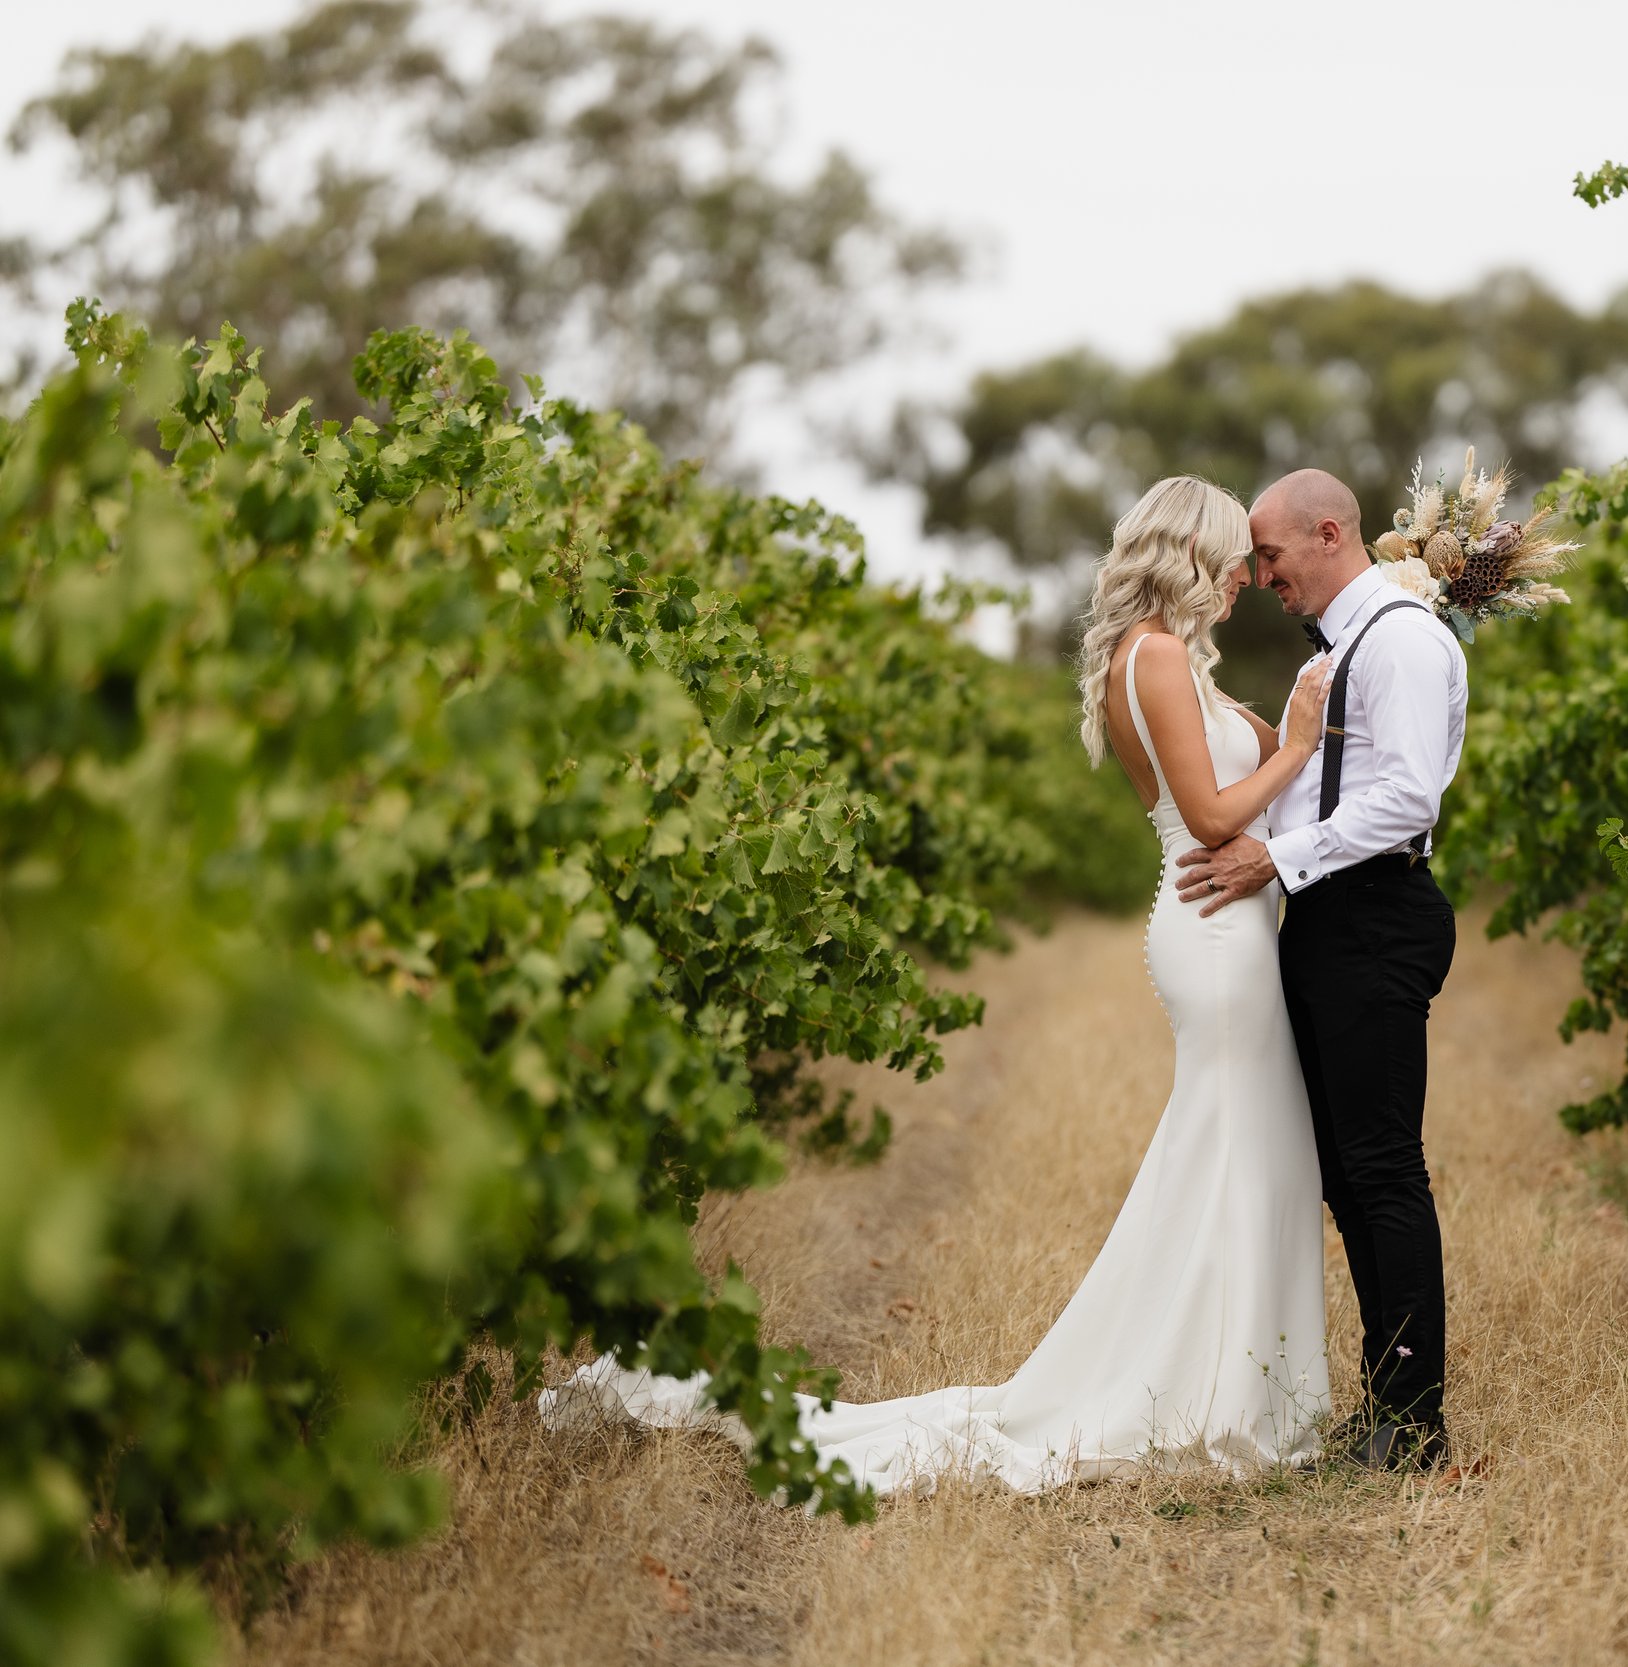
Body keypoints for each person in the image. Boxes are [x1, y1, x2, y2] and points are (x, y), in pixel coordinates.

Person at [539, 476, 1340, 1494]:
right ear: (1190, 552)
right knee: (1235, 1147)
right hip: (1216, 930)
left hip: (1224, 928)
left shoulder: (1171, 659)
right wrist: (1300, 741)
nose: (1242, 577)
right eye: (1233, 557)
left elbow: (1255, 789)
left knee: (1243, 1151)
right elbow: (1217, 813)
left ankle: (1234, 1382)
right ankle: (1217, 1392)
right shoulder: (1157, 655)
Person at [1177, 468, 1468, 1471]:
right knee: (1346, 1172)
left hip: (1377, 911)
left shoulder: (1400, 640)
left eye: (1270, 554)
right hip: (1333, 912)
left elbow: (1407, 794)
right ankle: (1383, 1399)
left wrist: (1274, 857)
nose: (1260, 575)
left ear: (1329, 531)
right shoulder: (1347, 642)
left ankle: (1415, 1420)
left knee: (1383, 1168)